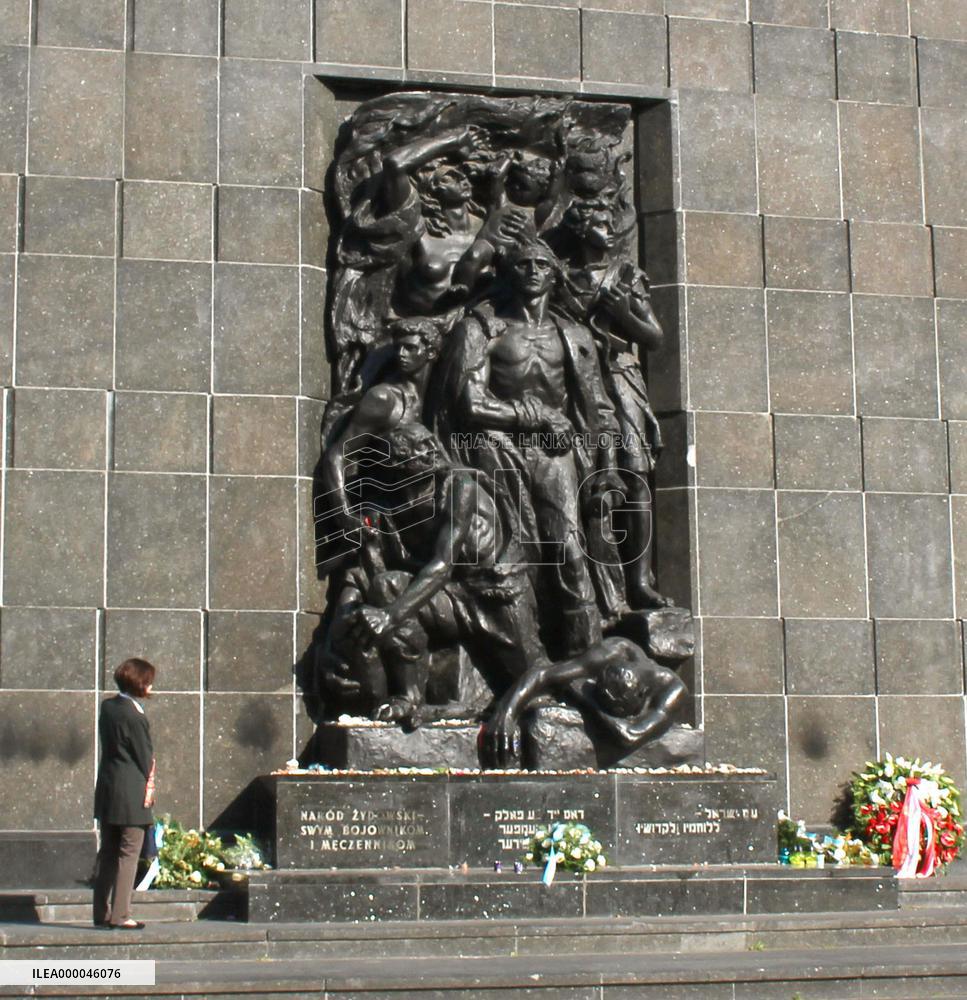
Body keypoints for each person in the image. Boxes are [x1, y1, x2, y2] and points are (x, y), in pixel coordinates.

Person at [482, 636, 687, 766]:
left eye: (616, 710)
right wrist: (506, 713)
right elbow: (543, 674)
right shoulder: (614, 651)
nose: (612, 713)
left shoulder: (673, 691)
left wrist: (584, 699)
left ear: (642, 694)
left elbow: (630, 735)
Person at [92, 658, 157, 930]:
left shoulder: (108, 707)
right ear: (139, 683)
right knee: (129, 852)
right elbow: (145, 757)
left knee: (108, 851)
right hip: (131, 792)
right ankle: (121, 915)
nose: (151, 686)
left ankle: (101, 913)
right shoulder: (135, 716)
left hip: (108, 787)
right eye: (148, 681)